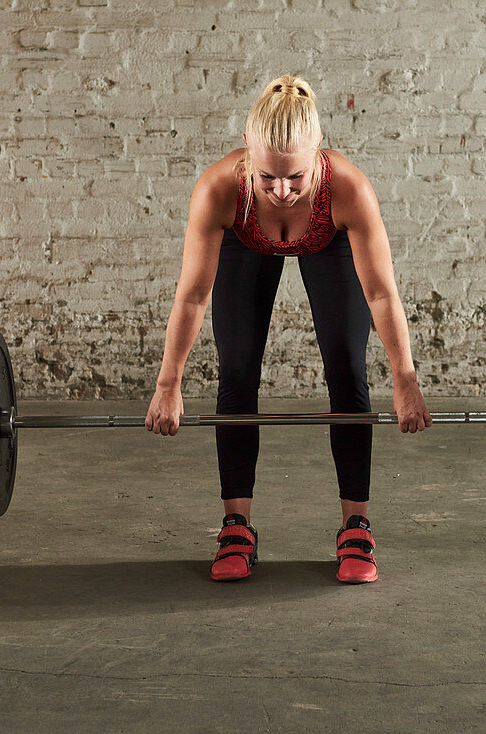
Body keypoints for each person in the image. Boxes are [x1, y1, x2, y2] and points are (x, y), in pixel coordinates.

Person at [145, 74, 431, 584]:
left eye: (295, 178)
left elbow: (382, 293)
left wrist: (405, 380)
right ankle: (236, 526)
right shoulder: (220, 191)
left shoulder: (347, 190)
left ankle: (356, 528)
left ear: (318, 153)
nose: (280, 191)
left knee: (346, 369)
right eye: (266, 178)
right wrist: (168, 384)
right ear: (248, 158)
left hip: (328, 239)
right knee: (236, 371)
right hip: (246, 240)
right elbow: (191, 295)